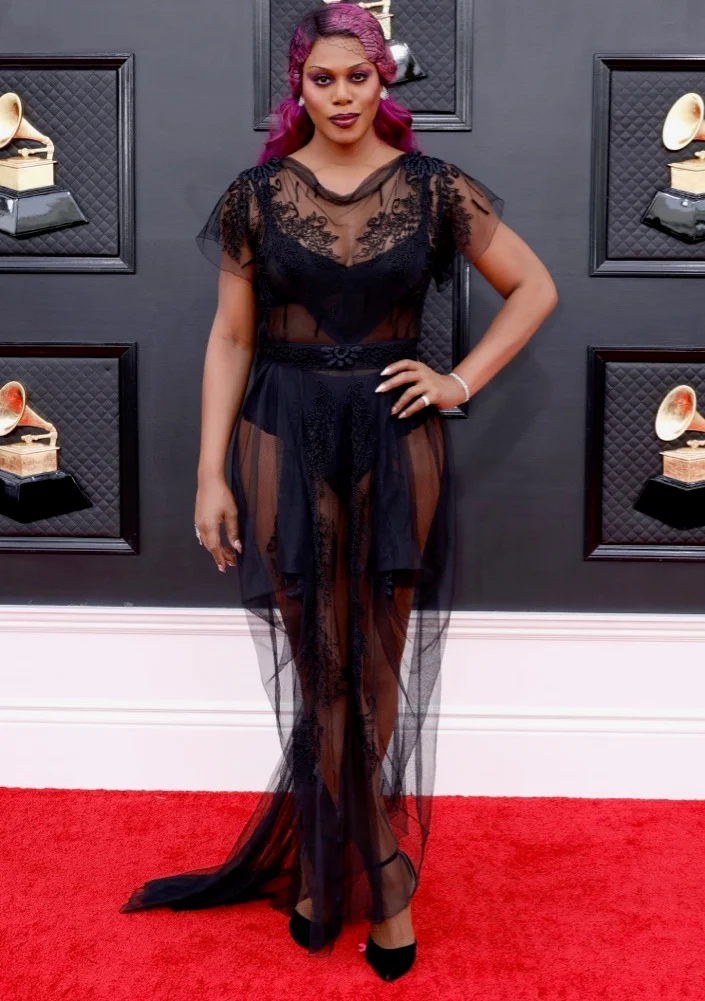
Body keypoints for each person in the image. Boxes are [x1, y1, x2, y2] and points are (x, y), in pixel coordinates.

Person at [120, 1, 558, 982]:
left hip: (396, 435)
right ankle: (377, 874)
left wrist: (459, 380)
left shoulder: (435, 188)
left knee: (375, 659)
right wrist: (209, 470)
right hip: (282, 427)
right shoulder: (255, 196)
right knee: (319, 662)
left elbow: (534, 287)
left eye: (358, 76)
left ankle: (332, 868)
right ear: (299, 87)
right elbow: (231, 335)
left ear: (381, 79)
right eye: (323, 79)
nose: (343, 95)